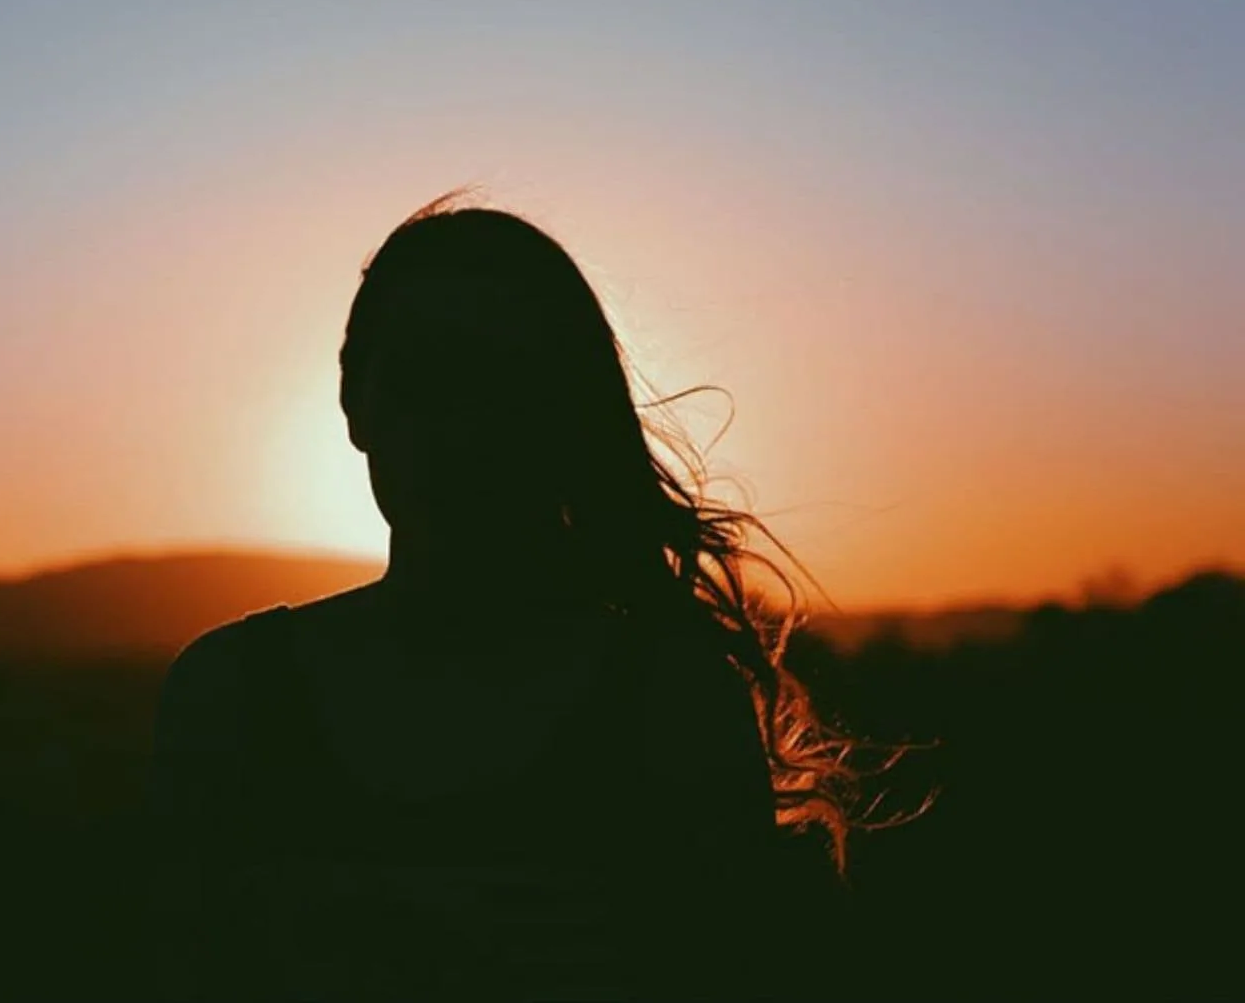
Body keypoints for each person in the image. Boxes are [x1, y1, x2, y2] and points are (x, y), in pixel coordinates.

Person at [148, 193, 855, 1000]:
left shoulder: (673, 703)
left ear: (568, 417)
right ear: (354, 404)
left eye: (508, 386)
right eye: (425, 381)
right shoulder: (229, 697)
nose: (464, 433)